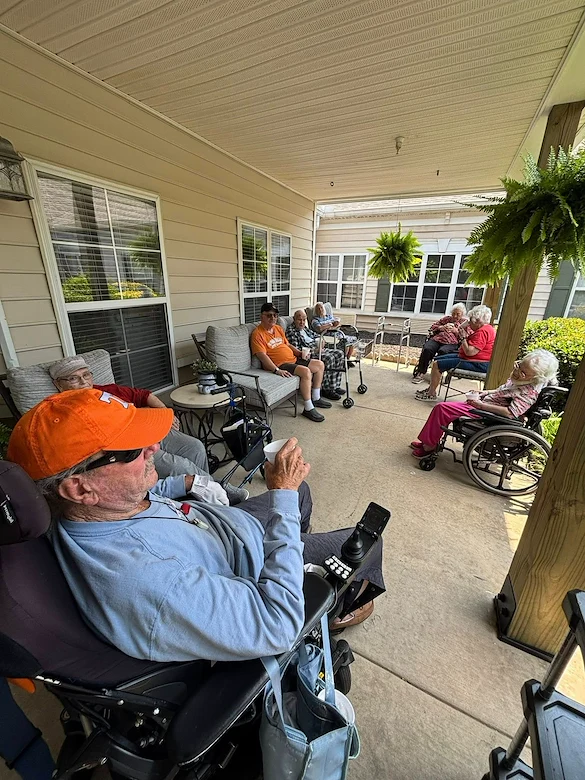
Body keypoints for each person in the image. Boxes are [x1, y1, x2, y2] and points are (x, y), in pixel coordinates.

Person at [6, 390, 385, 662]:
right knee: (368, 541)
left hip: (227, 529)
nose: (154, 448)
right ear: (80, 487)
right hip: (255, 571)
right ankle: (333, 609)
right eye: (133, 449)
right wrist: (280, 500)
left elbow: (135, 496)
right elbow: (276, 625)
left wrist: (184, 483)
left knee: (299, 490)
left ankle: (296, 549)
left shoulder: (85, 510)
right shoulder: (151, 582)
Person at [48, 356, 247, 505]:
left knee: (194, 447)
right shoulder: (63, 410)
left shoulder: (105, 390)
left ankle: (201, 494)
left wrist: (165, 412)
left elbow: (143, 395)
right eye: (73, 378)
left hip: (146, 427)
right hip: (128, 445)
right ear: (58, 384)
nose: (84, 382)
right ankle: (217, 490)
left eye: (86, 375)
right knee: (180, 466)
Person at [410, 349, 558, 457]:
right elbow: (502, 391)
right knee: (444, 409)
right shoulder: (521, 379)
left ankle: (429, 446)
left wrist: (480, 405)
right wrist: (484, 393)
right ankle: (429, 441)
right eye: (518, 365)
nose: (517, 371)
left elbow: (510, 413)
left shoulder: (529, 392)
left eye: (523, 372)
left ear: (536, 378)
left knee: (442, 409)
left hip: (488, 415)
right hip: (485, 405)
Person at [250, 302, 330, 423]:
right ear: (262, 316)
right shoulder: (257, 334)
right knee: (306, 372)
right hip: (280, 364)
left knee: (319, 365)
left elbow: (287, 345)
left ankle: (316, 397)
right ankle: (308, 408)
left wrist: (299, 353)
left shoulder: (278, 328)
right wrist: (276, 370)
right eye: (269, 315)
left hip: (293, 359)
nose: (273, 318)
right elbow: (262, 356)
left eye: (275, 315)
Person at [415, 304, 495, 401]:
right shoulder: (487, 328)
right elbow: (461, 329)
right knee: (437, 359)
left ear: (478, 321)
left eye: (471, 320)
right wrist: (461, 327)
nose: (469, 323)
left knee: (437, 364)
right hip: (473, 359)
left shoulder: (482, 332)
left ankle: (431, 394)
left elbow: (470, 352)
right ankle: (431, 389)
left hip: (476, 363)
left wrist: (463, 338)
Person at [286, 309, 345, 401]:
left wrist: (322, 341)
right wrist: (315, 350)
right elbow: (298, 351)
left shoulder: (304, 328)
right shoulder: (291, 331)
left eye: (304, 320)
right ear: (294, 319)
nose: (302, 322)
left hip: (318, 348)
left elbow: (315, 335)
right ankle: (325, 389)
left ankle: (335, 386)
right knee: (329, 358)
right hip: (309, 354)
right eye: (299, 320)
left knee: (339, 353)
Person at [412, 303, 470, 383]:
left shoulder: (464, 323)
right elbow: (433, 326)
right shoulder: (446, 319)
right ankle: (421, 372)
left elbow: (468, 336)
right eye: (453, 313)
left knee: (443, 352)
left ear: (462, 314)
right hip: (437, 339)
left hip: (452, 342)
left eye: (458, 314)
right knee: (427, 349)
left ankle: (436, 375)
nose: (455, 316)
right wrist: (441, 327)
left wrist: (456, 331)